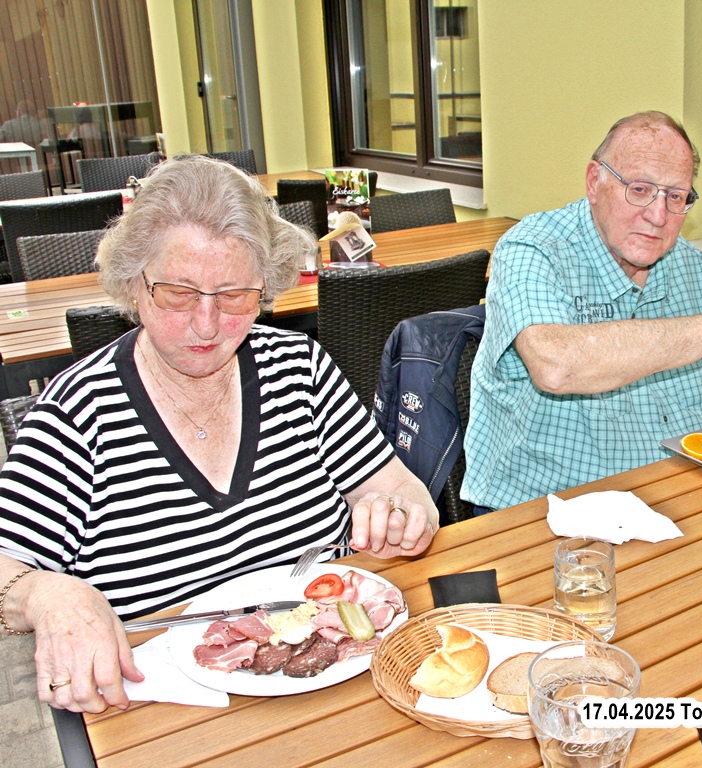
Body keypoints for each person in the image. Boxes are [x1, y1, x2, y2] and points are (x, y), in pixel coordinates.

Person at [0, 155, 438, 713]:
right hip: (167, 710)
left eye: (234, 296)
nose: (207, 325)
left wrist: (404, 512)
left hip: (337, 683)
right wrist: (46, 593)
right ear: (134, 284)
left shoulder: (299, 369)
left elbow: (400, 488)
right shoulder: (76, 413)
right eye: (179, 293)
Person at [462, 111, 702, 512]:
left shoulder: (690, 266)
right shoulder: (532, 249)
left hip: (678, 500)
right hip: (548, 512)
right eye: (639, 189)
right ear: (594, 181)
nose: (658, 216)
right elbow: (555, 366)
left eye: (676, 197)